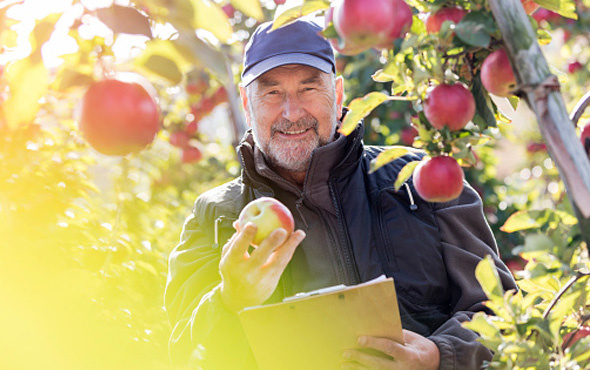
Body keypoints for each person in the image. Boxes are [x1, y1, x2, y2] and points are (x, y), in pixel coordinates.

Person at [164, 19, 517, 370]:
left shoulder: (421, 180)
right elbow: (184, 353)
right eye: (272, 92)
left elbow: (502, 312)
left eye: (308, 88)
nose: (292, 112)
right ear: (246, 102)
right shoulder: (216, 216)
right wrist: (229, 300)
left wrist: (442, 355)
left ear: (338, 93)